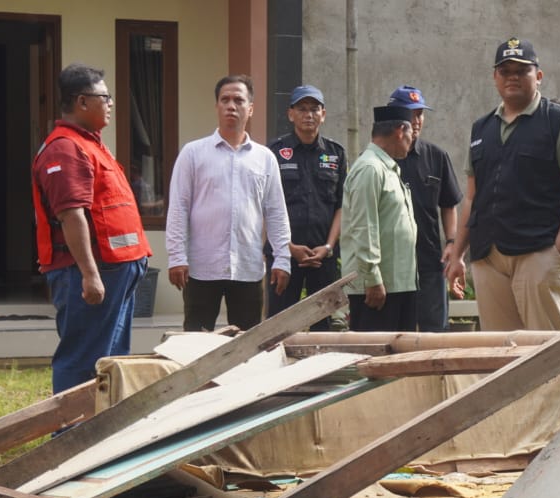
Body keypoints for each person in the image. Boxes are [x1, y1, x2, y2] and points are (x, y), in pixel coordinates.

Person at [443, 37, 560, 331]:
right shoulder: (481, 128)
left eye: (521, 70)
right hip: (489, 257)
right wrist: (459, 254)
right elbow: (472, 198)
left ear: (538, 76)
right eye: (505, 70)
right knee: (501, 351)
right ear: (495, 77)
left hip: (539, 252)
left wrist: (558, 252)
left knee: (548, 352)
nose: (512, 76)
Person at [32, 63, 151, 395]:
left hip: (118, 268)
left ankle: (102, 430)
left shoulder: (92, 144)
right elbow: (71, 215)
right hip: (92, 272)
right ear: (82, 102)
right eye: (105, 96)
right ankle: (71, 434)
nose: (110, 103)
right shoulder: (65, 148)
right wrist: (89, 274)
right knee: (82, 358)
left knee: (110, 358)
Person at [165, 75, 291, 332]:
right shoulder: (193, 153)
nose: (231, 106)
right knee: (195, 345)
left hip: (248, 268)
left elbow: (276, 212)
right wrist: (176, 256)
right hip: (202, 268)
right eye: (225, 100)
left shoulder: (265, 158)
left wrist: (282, 258)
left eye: (238, 100)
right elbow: (179, 207)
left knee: (246, 346)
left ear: (251, 108)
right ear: (216, 107)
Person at [266, 85, 346, 330]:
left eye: (314, 109)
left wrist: (328, 247)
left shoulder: (336, 153)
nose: (308, 115)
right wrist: (288, 248)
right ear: (291, 114)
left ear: (323, 114)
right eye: (302, 109)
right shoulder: (275, 153)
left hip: (323, 257)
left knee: (323, 327)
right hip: (284, 255)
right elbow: (265, 207)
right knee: (279, 326)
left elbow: (342, 206)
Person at [386, 84, 462, 332]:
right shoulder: (381, 158)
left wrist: (451, 242)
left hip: (429, 260)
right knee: (395, 332)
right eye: (411, 113)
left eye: (420, 114)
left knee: (435, 332)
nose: (416, 120)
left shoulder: (436, 156)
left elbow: (448, 204)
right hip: (391, 263)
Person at [341, 105, 419, 331]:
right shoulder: (370, 169)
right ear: (400, 131)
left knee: (399, 357)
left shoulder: (389, 169)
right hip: (377, 288)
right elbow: (364, 227)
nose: (412, 140)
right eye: (411, 134)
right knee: (373, 358)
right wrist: (372, 278)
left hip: (398, 283)